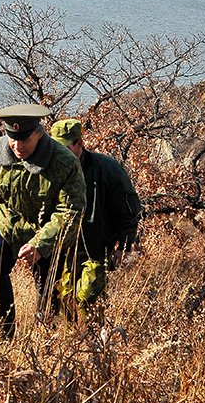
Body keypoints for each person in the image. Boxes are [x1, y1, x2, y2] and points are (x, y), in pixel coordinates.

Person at [0, 104, 85, 333]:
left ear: (39, 134)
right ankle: (3, 328)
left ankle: (45, 333)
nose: (18, 146)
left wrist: (41, 245)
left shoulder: (64, 162)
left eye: (25, 139)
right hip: (9, 224)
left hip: (46, 231)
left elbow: (71, 211)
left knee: (47, 286)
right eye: (13, 139)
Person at [49, 118, 141, 312]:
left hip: (96, 250)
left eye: (65, 148)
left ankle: (92, 331)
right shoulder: (49, 169)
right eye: (56, 149)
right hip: (63, 251)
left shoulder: (107, 169)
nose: (60, 154)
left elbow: (128, 209)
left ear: (79, 143)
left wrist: (123, 246)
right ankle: (74, 331)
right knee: (65, 301)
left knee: (87, 299)